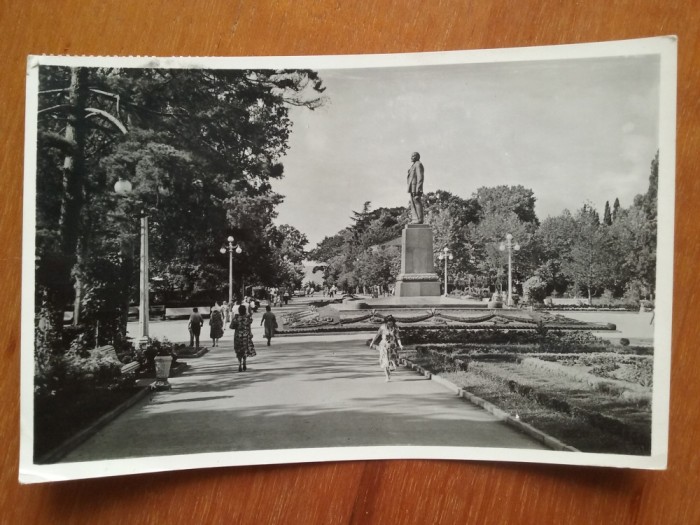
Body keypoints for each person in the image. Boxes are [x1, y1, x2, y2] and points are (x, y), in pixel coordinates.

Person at [369, 315, 403, 382]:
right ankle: (387, 376)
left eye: (391, 321)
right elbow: (377, 335)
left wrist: (400, 345)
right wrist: (372, 342)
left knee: (393, 361)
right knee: (385, 361)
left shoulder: (395, 328)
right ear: (386, 322)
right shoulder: (382, 327)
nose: (390, 323)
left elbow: (398, 337)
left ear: (393, 322)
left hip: (392, 347)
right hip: (384, 346)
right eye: (388, 321)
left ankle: (390, 369)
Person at [230, 304, 255, 371]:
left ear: (239, 310)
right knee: (245, 349)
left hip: (238, 336)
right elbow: (249, 326)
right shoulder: (247, 317)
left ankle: (239, 364)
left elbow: (231, 326)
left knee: (238, 350)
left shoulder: (236, 318)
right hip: (246, 335)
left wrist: (237, 326)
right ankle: (244, 362)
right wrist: (250, 333)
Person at [407, 151, 424, 224]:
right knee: (413, 204)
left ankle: (419, 219)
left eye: (413, 156)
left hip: (415, 188)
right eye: (411, 156)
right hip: (412, 188)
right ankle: (415, 219)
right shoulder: (413, 165)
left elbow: (420, 177)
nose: (411, 157)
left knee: (417, 202)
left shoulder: (418, 164)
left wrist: (418, 188)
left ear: (417, 157)